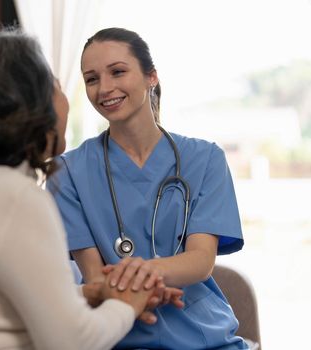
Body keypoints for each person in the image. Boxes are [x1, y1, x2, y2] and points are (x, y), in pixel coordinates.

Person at [0, 29, 183, 350]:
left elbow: (4, 301)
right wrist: (127, 304)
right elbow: (74, 341)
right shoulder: (16, 198)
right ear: (30, 106)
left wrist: (95, 293)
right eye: (56, 84)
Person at [47, 27, 249, 349]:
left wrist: (142, 272)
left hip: (202, 337)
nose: (105, 88)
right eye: (92, 79)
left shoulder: (205, 159)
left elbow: (200, 260)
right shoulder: (66, 172)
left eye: (118, 72)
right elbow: (96, 278)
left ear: (150, 76)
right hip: (117, 336)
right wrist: (145, 281)